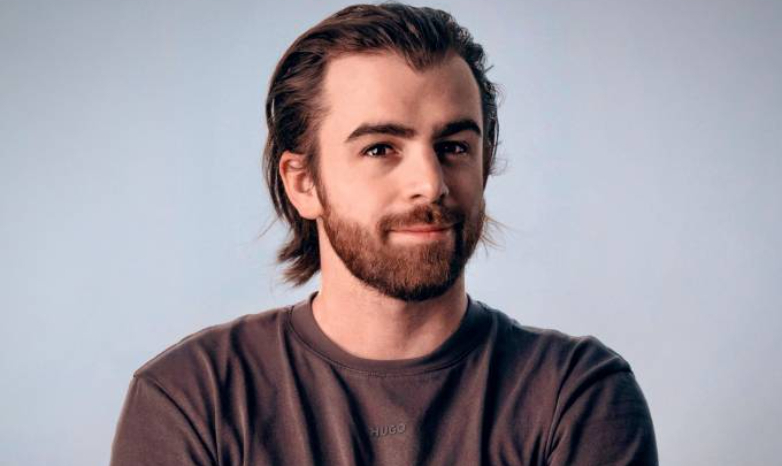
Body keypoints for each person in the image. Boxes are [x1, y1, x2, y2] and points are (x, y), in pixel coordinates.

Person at [110, 3, 658, 465]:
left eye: (455, 147)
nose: (430, 183)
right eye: (380, 149)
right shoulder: (192, 398)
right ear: (303, 183)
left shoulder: (576, 393)